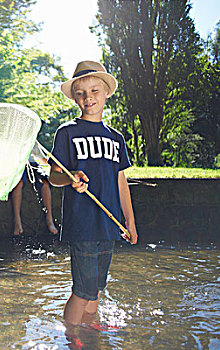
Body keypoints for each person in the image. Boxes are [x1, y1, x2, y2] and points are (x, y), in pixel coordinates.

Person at [49, 60, 138, 326]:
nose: (89, 98)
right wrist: (70, 177)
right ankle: (70, 337)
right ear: (75, 97)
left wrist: (130, 222)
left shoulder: (116, 138)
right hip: (83, 224)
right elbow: (53, 177)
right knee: (83, 290)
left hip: (109, 225)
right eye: (81, 93)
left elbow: (121, 181)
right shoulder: (67, 133)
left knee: (97, 288)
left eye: (95, 91)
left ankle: (89, 331)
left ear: (106, 92)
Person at [11, 143, 59, 236]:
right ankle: (17, 220)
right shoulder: (14, 139)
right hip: (18, 165)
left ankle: (50, 220)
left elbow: (43, 159)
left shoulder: (32, 141)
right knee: (18, 183)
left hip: (33, 164)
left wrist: (53, 161)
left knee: (44, 182)